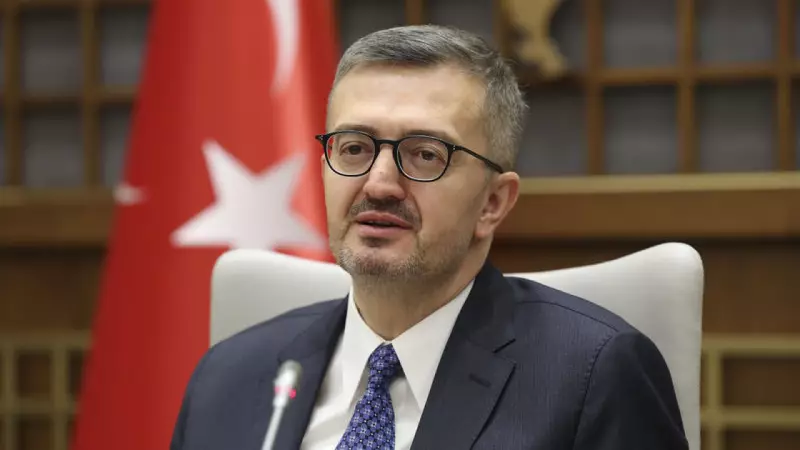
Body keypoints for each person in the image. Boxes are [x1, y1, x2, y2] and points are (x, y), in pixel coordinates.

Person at [170, 25, 688, 450]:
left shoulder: (594, 378)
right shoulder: (230, 377)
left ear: (493, 203)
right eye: (354, 148)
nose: (379, 183)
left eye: (425, 155)